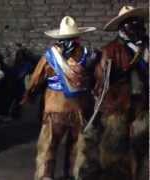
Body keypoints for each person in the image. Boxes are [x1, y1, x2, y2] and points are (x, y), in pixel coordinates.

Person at [21, 16, 98, 180]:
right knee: (76, 147)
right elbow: (95, 80)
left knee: (49, 146)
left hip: (56, 110)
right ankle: (73, 174)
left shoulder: (49, 57)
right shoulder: (88, 56)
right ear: (78, 37)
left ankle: (46, 176)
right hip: (79, 110)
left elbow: (35, 80)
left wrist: (29, 94)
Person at [76, 6, 149, 180]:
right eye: (132, 23)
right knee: (114, 152)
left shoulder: (146, 46)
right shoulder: (111, 50)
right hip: (118, 107)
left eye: (139, 22)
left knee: (141, 148)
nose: (138, 26)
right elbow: (100, 83)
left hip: (144, 106)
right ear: (123, 27)